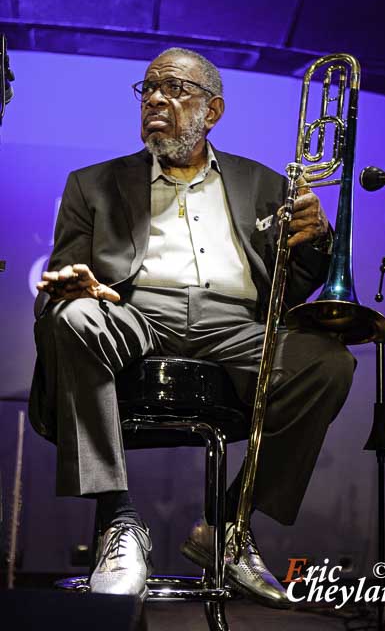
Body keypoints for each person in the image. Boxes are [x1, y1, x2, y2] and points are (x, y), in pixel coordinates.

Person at [29, 47, 355, 607]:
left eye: (176, 89)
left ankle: (228, 528)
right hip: (133, 311)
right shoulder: (91, 183)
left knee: (328, 362)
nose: (156, 97)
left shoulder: (264, 183)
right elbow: (66, 275)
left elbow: (292, 287)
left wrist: (317, 237)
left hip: (234, 322)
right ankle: (119, 523)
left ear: (213, 111)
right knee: (73, 317)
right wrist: (77, 286)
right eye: (149, 88)